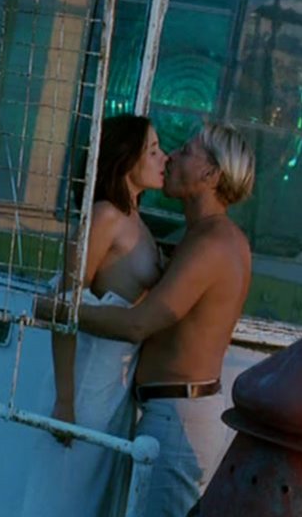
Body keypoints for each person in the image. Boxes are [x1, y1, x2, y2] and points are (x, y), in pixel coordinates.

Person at [45, 122, 256, 517]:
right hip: (168, 411)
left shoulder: (212, 243)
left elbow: (139, 324)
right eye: (158, 150)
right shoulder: (203, 236)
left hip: (179, 418)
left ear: (211, 174)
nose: (172, 157)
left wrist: (58, 311)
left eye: (186, 152)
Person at [21, 114, 167, 517]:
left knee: (91, 504)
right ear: (125, 159)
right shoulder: (105, 216)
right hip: (84, 385)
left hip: (114, 390)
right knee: (61, 499)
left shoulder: (135, 220)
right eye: (153, 151)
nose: (165, 158)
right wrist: (65, 400)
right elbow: (66, 304)